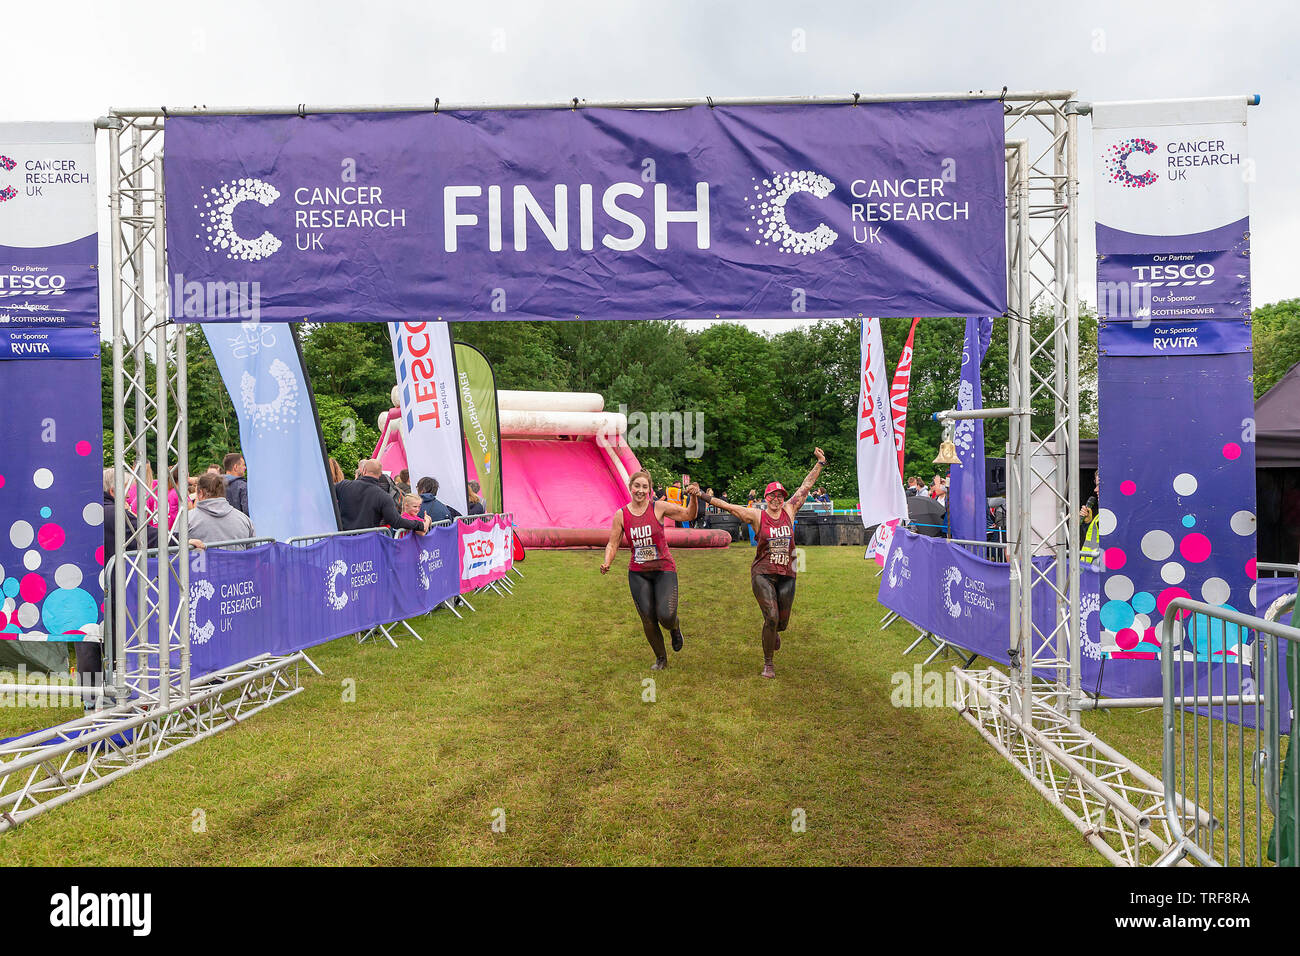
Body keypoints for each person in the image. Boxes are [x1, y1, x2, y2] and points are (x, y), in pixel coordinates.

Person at [696, 448, 825, 679]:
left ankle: (774, 631)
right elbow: (730, 507)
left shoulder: (789, 510)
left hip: (787, 572)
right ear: (765, 499)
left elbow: (805, 487)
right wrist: (702, 496)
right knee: (772, 617)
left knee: (782, 624)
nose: (776, 500)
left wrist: (820, 463)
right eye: (772, 496)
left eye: (779, 496)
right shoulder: (757, 516)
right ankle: (768, 664)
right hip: (763, 573)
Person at [601, 471, 699, 671]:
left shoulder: (658, 508)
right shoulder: (622, 515)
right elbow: (613, 543)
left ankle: (674, 627)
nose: (640, 490)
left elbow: (689, 514)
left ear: (649, 489)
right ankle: (661, 658)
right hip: (638, 573)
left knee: (666, 615)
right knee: (647, 617)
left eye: (645, 487)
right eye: (637, 486)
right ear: (631, 487)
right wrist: (607, 562)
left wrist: (694, 497)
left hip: (664, 570)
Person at [336, 459, 430, 533]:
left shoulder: (343, 485)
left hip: (344, 540)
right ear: (381, 474)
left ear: (363, 471)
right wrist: (420, 525)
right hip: (368, 542)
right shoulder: (383, 496)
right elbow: (396, 521)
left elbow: (327, 494)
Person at [188, 472, 257, 547]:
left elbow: (174, 549)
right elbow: (252, 553)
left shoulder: (187, 520)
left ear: (200, 493)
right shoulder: (245, 521)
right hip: (237, 558)